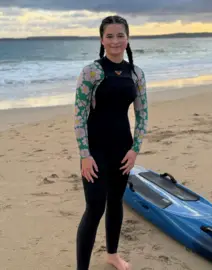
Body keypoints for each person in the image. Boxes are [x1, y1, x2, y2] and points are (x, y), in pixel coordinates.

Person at [73, 15, 148, 270]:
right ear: (101, 39)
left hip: (122, 150)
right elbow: (79, 116)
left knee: (115, 201)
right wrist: (85, 154)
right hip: (94, 151)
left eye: (120, 35)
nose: (115, 41)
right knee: (94, 207)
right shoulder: (92, 71)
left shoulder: (136, 74)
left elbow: (142, 114)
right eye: (110, 36)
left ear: (127, 38)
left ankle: (112, 255)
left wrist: (135, 150)